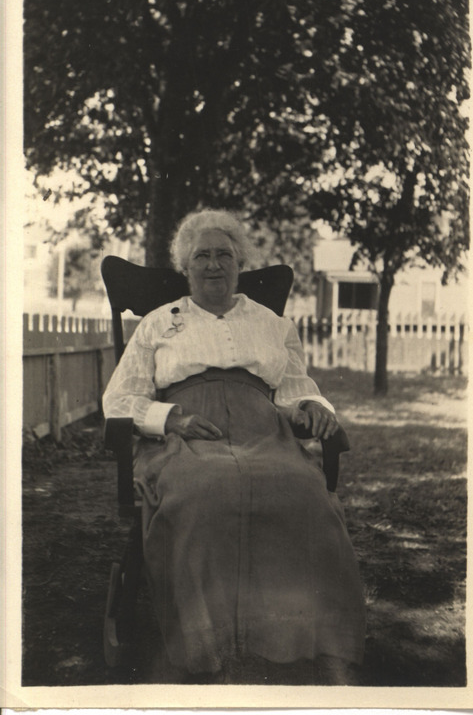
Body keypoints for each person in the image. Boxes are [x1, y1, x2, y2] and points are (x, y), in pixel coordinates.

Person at [103, 209, 365, 685]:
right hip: (188, 431)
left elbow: (292, 387)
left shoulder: (271, 324)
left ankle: (318, 644)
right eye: (202, 255)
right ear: (186, 266)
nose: (213, 265)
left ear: (239, 263)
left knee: (305, 496)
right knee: (203, 494)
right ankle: (210, 647)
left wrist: (312, 404)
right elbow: (120, 399)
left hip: (263, 428)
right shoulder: (158, 324)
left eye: (224, 254)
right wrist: (171, 417)